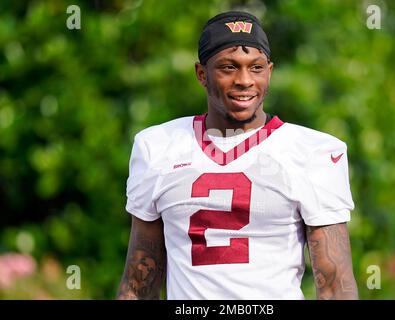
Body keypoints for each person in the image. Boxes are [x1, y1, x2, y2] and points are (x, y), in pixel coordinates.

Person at [117, 11, 358, 300]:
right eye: (229, 67)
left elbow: (334, 285)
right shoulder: (157, 147)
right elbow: (138, 282)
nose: (244, 80)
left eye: (255, 67)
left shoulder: (312, 151)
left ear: (269, 71)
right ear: (201, 74)